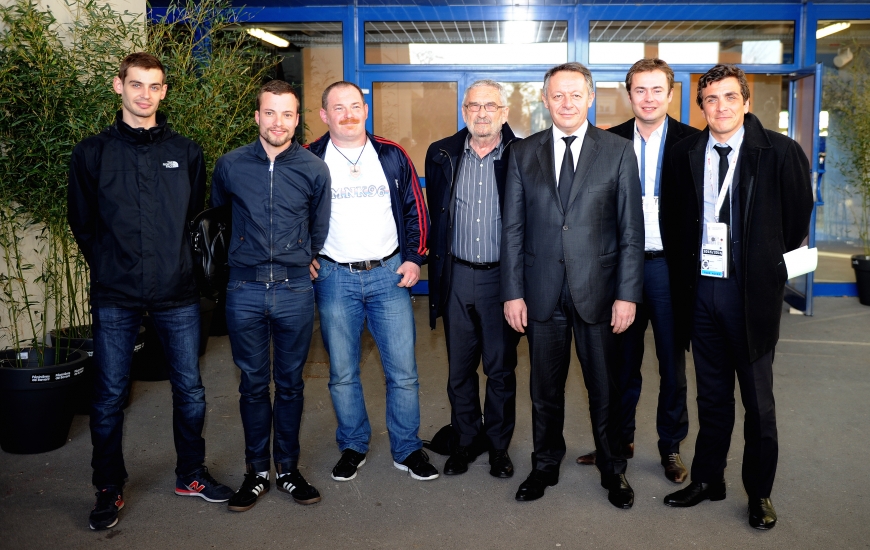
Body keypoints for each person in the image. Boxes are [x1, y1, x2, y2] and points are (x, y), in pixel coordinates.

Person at [68, 52, 233, 531]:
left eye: (154, 86)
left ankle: (191, 473)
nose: (145, 94)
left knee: (191, 389)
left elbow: (193, 217)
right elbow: (83, 222)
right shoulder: (91, 153)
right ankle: (108, 485)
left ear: (164, 91)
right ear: (118, 86)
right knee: (108, 395)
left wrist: (180, 264)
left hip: (177, 292)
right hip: (115, 293)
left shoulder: (186, 151)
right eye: (136, 84)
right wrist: (107, 266)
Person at [659, 64, 813, 530]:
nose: (720, 107)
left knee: (758, 403)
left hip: (751, 296)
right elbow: (676, 218)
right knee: (712, 396)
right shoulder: (686, 152)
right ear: (701, 106)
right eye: (710, 99)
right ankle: (709, 480)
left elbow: (796, 221)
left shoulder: (780, 152)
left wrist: (765, 269)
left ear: (747, 102)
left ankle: (759, 492)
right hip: (702, 289)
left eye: (729, 97)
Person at [501, 62, 644, 508]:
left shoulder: (618, 151)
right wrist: (512, 291)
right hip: (541, 293)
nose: (566, 103)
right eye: (557, 95)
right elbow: (512, 230)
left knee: (605, 389)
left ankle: (613, 469)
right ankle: (544, 465)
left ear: (590, 99)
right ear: (545, 100)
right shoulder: (523, 152)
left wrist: (627, 294)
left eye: (575, 95)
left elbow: (630, 232)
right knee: (544, 390)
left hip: (599, 293)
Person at [307, 81, 437, 482]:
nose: (348, 114)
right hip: (333, 278)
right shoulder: (310, 157)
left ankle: (407, 448)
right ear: (325, 115)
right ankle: (353, 444)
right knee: (342, 372)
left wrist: (415, 258)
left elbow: (417, 210)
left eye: (354, 106)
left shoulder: (392, 155)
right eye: (337, 108)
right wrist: (303, 256)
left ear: (365, 109)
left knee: (403, 372)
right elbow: (293, 213)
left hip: (388, 276)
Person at [576, 59, 698, 484]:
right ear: (629, 95)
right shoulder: (608, 142)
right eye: (640, 90)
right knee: (619, 365)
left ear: (670, 94)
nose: (648, 98)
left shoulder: (692, 143)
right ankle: (618, 442)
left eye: (656, 90)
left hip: (668, 270)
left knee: (672, 365)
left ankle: (671, 448)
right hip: (620, 273)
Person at [210, 80, 331, 512]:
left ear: (297, 119)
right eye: (270, 113)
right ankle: (256, 472)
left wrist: (306, 256)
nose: (278, 122)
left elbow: (320, 224)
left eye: (287, 114)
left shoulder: (314, 169)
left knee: (291, 384)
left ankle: (288, 470)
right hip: (243, 288)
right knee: (253, 386)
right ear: (257, 116)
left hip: (295, 289)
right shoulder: (230, 165)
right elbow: (221, 219)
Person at [425, 80, 523, 478]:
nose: (482, 113)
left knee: (500, 370)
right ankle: (466, 441)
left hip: (503, 280)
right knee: (459, 370)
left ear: (504, 111)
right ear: (464, 111)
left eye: (490, 106)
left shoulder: (523, 154)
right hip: (457, 277)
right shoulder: (442, 154)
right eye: (474, 106)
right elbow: (437, 215)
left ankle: (498, 447)